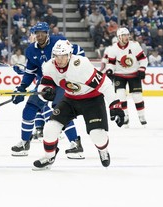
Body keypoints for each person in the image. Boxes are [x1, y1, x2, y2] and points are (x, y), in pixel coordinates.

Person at [32, 40, 125, 170]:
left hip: (92, 100)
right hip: (70, 99)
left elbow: (105, 84)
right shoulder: (49, 66)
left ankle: (103, 150)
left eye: (63, 56)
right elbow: (46, 83)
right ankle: (49, 157)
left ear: (70, 55)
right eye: (56, 56)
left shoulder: (81, 65)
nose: (59, 59)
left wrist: (115, 106)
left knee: (97, 136)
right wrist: (45, 92)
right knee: (50, 128)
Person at [11, 22, 85, 159]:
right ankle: (24, 143)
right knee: (29, 108)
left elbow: (79, 52)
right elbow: (30, 72)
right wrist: (22, 87)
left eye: (42, 32)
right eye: (37, 33)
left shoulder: (59, 41)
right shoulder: (31, 50)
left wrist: (77, 73)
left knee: (60, 110)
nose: (39, 36)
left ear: (47, 33)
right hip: (46, 81)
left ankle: (75, 143)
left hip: (64, 79)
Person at [105, 27, 148, 127]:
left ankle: (141, 115)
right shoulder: (113, 49)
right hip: (119, 75)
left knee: (137, 96)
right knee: (120, 96)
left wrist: (142, 69)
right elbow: (110, 63)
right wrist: (110, 70)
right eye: (124, 35)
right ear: (119, 37)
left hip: (134, 74)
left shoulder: (135, 46)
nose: (126, 37)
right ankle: (125, 116)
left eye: (127, 35)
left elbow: (143, 59)